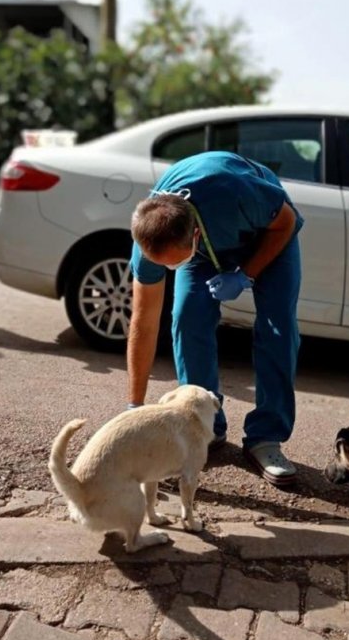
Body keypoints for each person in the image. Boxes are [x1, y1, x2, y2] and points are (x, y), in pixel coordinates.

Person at [128, 151, 304, 486]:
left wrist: (245, 274)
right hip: (201, 244)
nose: (167, 271)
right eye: (165, 265)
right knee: (186, 318)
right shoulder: (151, 238)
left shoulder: (234, 189)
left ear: (194, 236)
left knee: (277, 328)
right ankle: (205, 426)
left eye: (174, 264)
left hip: (268, 231)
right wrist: (134, 406)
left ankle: (265, 437)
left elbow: (286, 222)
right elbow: (143, 322)